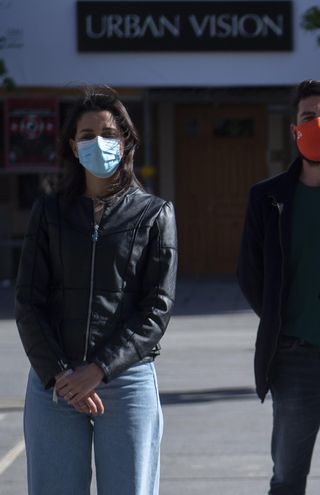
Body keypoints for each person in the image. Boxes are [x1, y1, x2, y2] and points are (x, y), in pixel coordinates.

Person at [16, 86, 177, 495]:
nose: (98, 143)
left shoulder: (154, 214)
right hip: (56, 381)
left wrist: (99, 369)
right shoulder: (49, 211)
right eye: (87, 135)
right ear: (73, 145)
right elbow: (28, 302)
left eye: (107, 134)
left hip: (124, 381)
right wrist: (60, 373)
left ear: (125, 143)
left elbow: (156, 309)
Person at [237, 80, 320, 494]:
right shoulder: (268, 197)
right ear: (294, 129)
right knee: (287, 478)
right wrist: (282, 318)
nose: (317, 124)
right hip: (294, 357)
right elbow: (250, 272)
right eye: (307, 117)